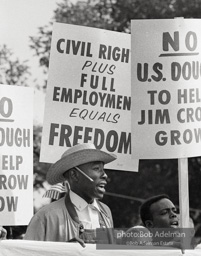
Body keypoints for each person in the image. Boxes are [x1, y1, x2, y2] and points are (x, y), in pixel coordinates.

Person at [24, 143, 116, 246]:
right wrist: (64, 251)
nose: (104, 175)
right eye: (96, 169)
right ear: (74, 175)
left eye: (103, 169)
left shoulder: (105, 213)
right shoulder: (46, 217)